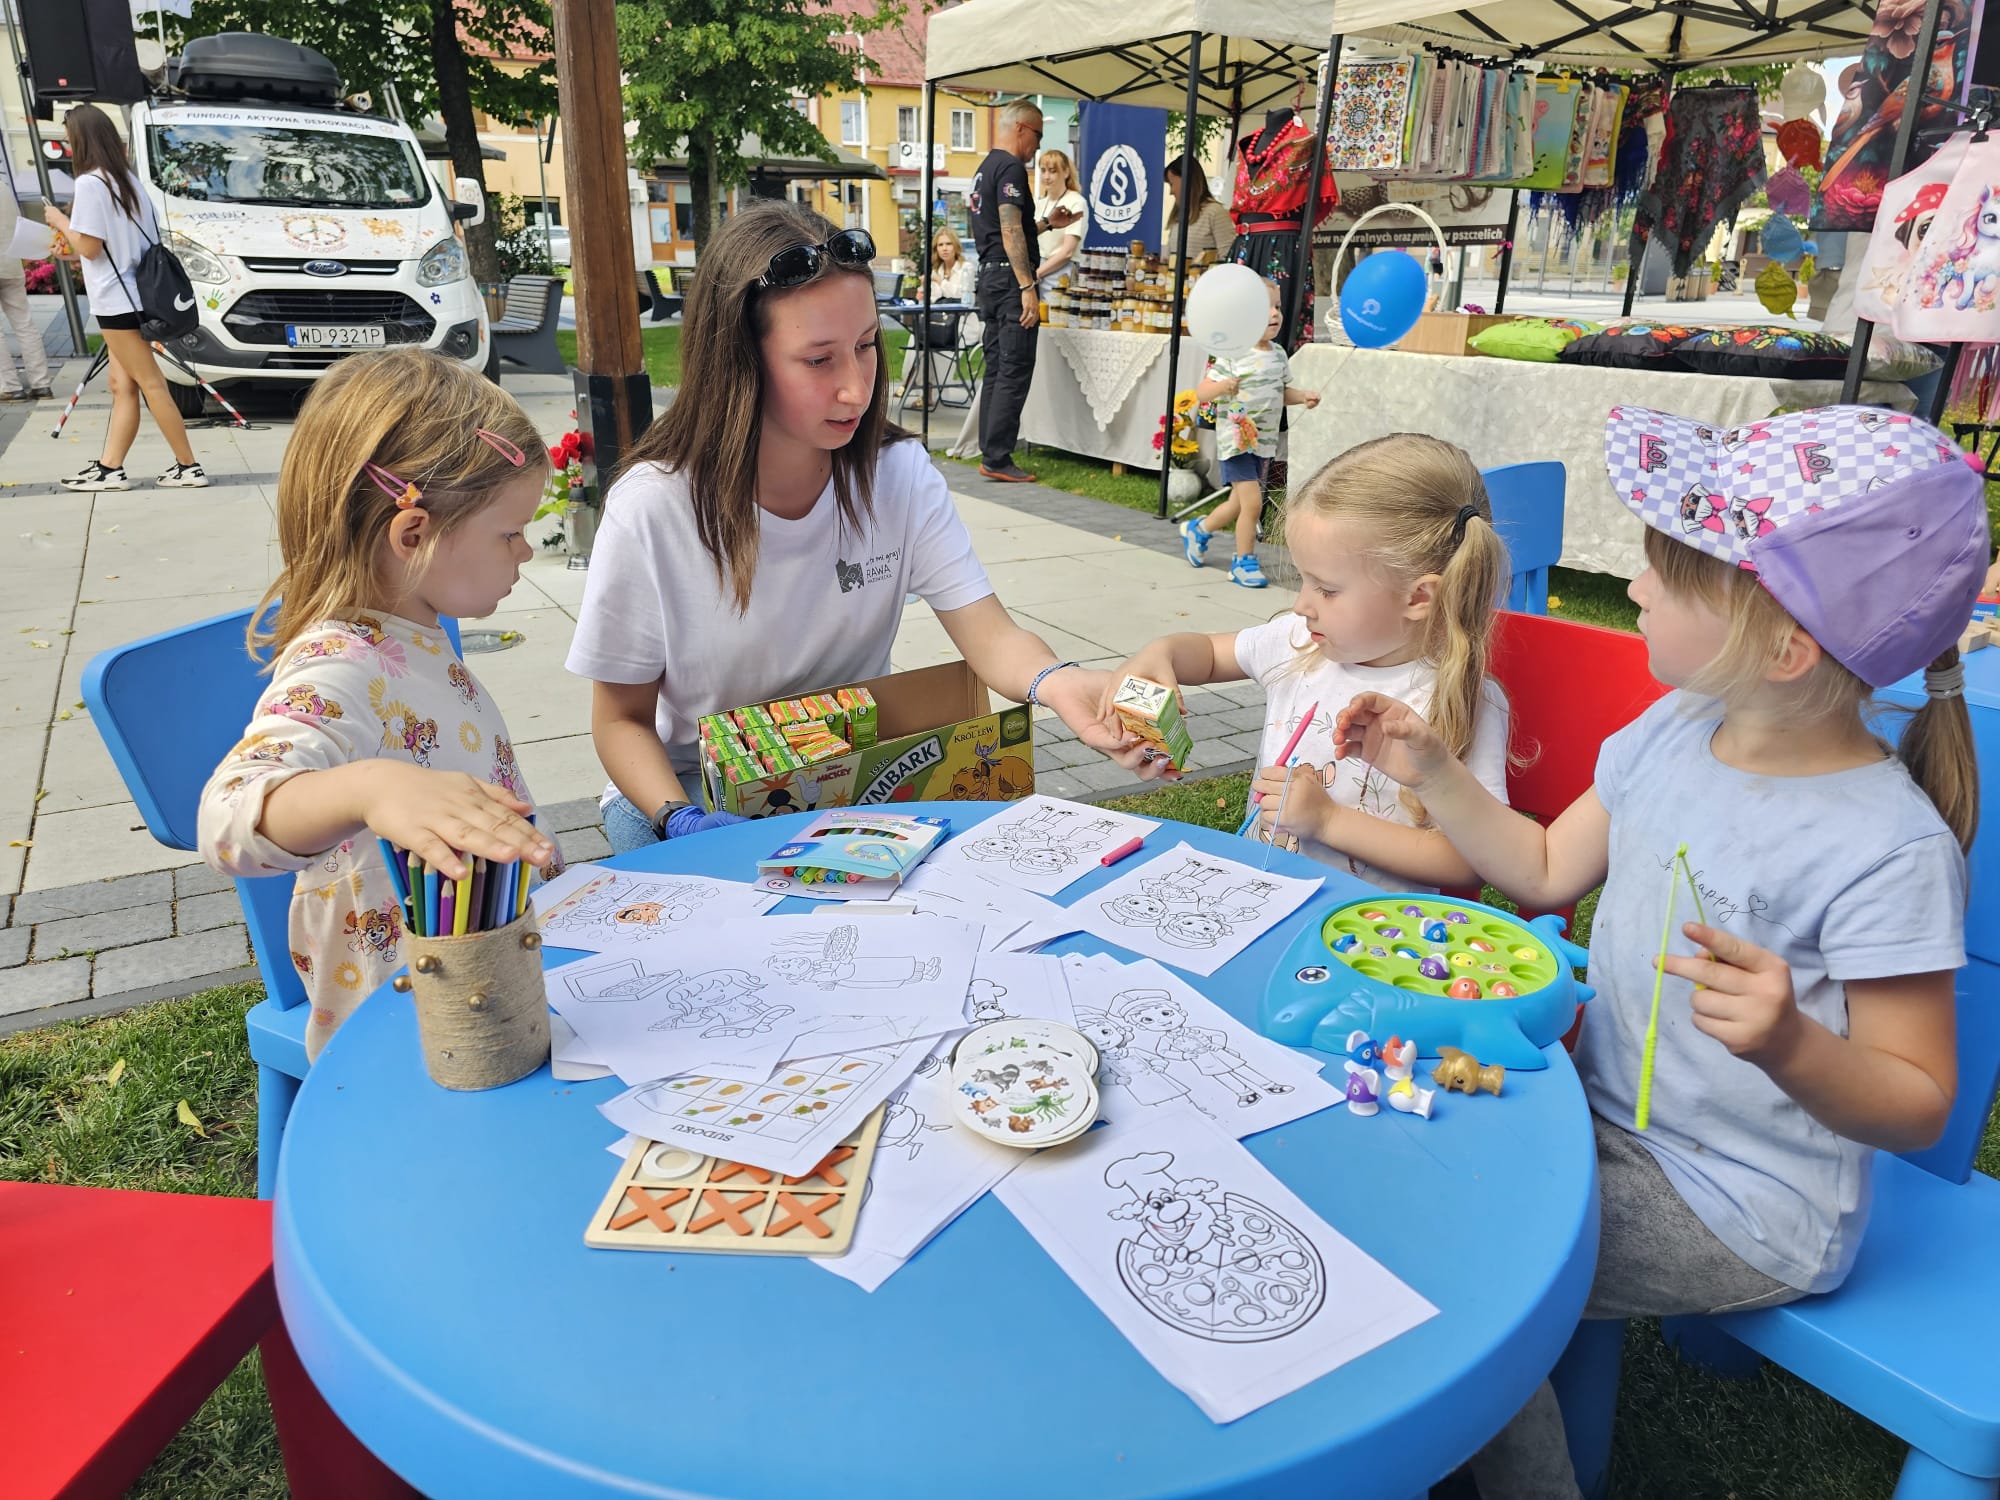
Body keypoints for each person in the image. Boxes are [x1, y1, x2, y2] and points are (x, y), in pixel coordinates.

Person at [1334, 406, 1979, 1497]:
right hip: (1593, 1121)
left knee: (1472, 1270)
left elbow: (1917, 1098)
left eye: (1666, 573)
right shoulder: (1671, 729)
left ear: (1781, 645)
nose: (1632, 585)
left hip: (1739, 1204)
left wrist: (1787, 1043)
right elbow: (1541, 868)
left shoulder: (1884, 845)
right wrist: (1435, 773)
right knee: (1397, 1145)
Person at [566, 200, 1159, 854]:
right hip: (688, 794)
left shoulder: (897, 475)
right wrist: (680, 822)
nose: (856, 387)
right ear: (739, 361)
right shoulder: (654, 508)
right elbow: (620, 721)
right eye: (819, 361)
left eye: (867, 345)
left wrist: (1059, 682)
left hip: (847, 777)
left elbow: (989, 636)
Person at [196, 349, 558, 1059]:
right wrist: (370, 785)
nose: (526, 553)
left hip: (483, 997)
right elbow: (224, 819)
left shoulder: (414, 631)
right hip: (399, 1040)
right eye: (510, 532)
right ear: (413, 536)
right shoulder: (339, 666)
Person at [1109, 432, 1511, 890]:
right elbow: (1207, 654)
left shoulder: (1459, 698)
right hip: (1264, 902)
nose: (1302, 605)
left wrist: (1328, 822)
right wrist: (1162, 653)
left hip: (1372, 939)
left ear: (1418, 597)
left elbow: (1469, 862)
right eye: (1303, 580)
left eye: (1327, 589)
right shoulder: (1300, 643)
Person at [43, 104, 205, 491]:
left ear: (81, 139)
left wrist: (60, 222)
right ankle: (110, 467)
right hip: (138, 295)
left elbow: (92, 248)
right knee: (123, 385)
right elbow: (112, 245)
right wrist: (71, 246)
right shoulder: (129, 182)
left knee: (150, 384)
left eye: (69, 139)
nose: (67, 144)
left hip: (117, 302)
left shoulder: (89, 184)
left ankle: (189, 466)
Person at [1179, 276, 1321, 589]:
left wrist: (1303, 397)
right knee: (1253, 504)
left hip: (1263, 442)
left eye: (1277, 306)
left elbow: (1280, 392)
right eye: (1264, 308)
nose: (1274, 314)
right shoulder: (1233, 355)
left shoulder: (1279, 354)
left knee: (1238, 504)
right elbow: (1202, 392)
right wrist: (1222, 386)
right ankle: (1243, 562)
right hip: (1236, 440)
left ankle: (1199, 530)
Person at [968, 99, 1075, 484]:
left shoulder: (985, 168)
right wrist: (1028, 285)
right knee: (1013, 368)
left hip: (990, 277)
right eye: (1038, 137)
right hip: (1010, 280)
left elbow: (1007, 228)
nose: (1038, 148)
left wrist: (1047, 222)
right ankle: (997, 457)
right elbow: (1010, 230)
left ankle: (990, 451)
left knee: (997, 367)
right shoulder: (1011, 167)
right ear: (1022, 129)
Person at [0, 182, 51, 402]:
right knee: (25, 325)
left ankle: (9, 386)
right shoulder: (3, 186)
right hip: (11, 263)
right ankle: (41, 384)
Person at [1032, 149, 1087, 291]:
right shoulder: (1039, 203)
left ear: (1066, 173)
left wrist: (1038, 272)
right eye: (1043, 171)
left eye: (1052, 171)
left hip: (1062, 269)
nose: (1046, 176)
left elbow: (1067, 251)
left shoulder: (1076, 202)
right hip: (1037, 268)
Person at [1163, 160, 1235, 267]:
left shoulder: (1215, 213)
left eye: (1172, 184)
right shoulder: (1178, 217)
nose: (1171, 191)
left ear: (1186, 181)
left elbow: (1229, 258)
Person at [929, 226, 971, 303]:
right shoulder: (936, 271)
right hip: (939, 314)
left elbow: (962, 295)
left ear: (956, 246)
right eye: (940, 245)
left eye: (948, 244)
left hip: (962, 314)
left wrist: (940, 281)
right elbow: (933, 300)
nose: (944, 249)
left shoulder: (966, 268)